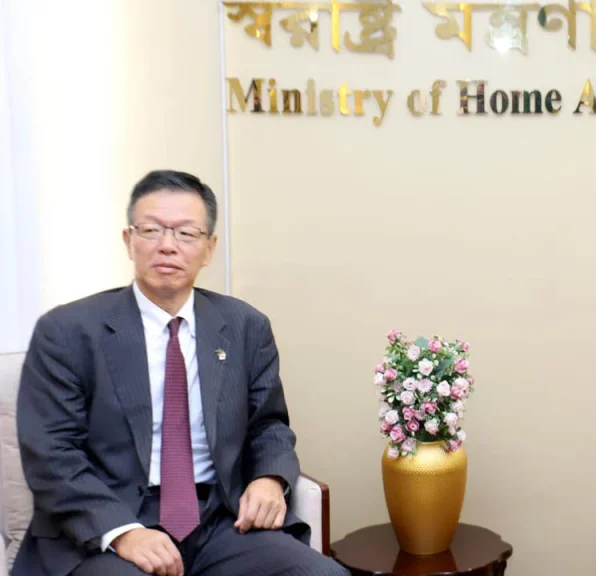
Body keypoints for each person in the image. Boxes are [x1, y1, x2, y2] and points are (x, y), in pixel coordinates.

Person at [14, 170, 347, 576]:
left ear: (209, 248)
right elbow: (51, 454)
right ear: (128, 240)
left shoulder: (245, 326)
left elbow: (268, 425)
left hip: (220, 519)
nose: (168, 246)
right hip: (109, 524)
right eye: (151, 230)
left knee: (323, 573)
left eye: (186, 234)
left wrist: (270, 478)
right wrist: (123, 532)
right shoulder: (67, 331)